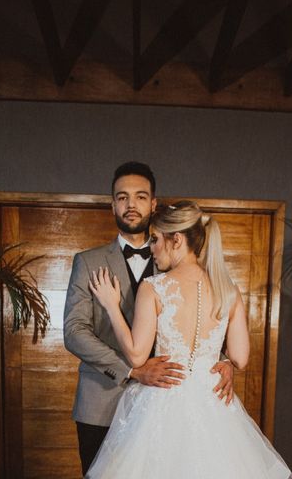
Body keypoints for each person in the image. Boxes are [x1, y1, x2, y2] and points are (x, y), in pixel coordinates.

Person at [87, 201, 292, 478]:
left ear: (177, 239)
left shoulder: (154, 287)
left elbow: (137, 356)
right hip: (214, 405)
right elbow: (240, 358)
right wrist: (225, 363)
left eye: (156, 240)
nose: (152, 248)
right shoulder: (228, 290)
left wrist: (112, 307)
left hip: (162, 403)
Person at [63, 163, 235, 475]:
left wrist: (223, 361)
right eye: (122, 197)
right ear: (112, 203)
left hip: (164, 409)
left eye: (140, 197)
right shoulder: (87, 262)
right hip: (101, 403)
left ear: (153, 204)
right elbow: (74, 331)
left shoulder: (174, 260)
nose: (131, 205)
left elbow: (195, 321)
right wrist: (131, 369)